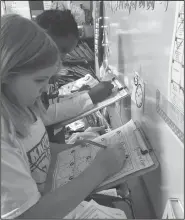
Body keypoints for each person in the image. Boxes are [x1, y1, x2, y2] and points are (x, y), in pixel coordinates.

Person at [1, 14, 126, 219]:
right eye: (39, 80)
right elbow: (30, 215)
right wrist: (99, 169)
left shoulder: (21, 106)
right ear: (6, 72)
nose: (44, 89)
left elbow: (37, 151)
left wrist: (76, 151)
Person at [36, 9, 114, 143]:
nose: (62, 59)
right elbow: (40, 114)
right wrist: (89, 97)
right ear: (44, 37)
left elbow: (48, 101)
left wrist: (76, 95)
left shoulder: (46, 70)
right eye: (61, 50)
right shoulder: (31, 73)